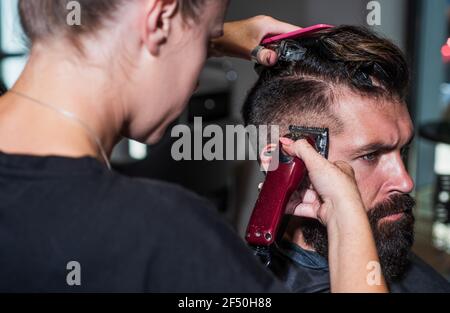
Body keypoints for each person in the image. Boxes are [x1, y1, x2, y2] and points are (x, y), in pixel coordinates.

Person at [0, 0, 384, 292]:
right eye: (206, 41)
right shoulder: (164, 234)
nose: (198, 79)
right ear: (160, 20)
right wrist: (346, 217)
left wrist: (199, 35)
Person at [242, 25, 450, 293]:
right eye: (370, 155)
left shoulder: (383, 246)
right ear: (288, 160)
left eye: (403, 150)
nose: (406, 181)